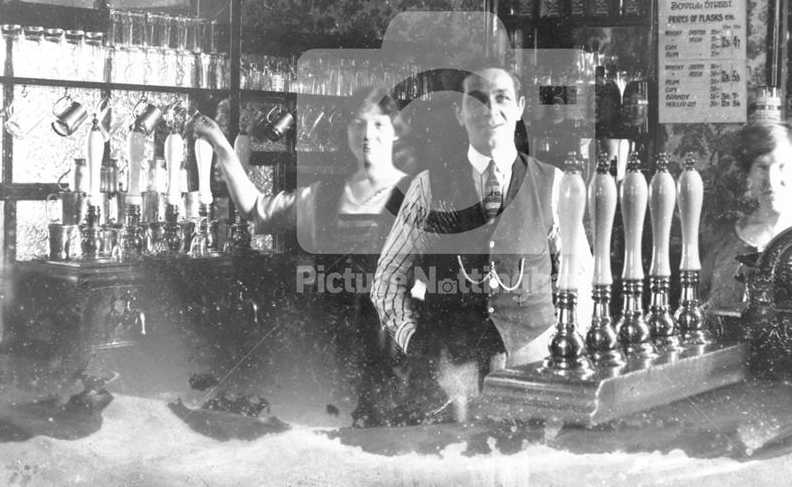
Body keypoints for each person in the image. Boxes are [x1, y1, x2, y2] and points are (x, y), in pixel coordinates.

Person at [371, 61, 591, 423]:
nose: (490, 109)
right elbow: (386, 281)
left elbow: (580, 276)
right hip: (452, 371)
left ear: (519, 108)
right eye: (476, 100)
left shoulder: (553, 184)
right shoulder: (428, 187)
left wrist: (570, 348)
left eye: (502, 97)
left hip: (534, 362)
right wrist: (416, 340)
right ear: (460, 113)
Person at [192, 86, 412, 427]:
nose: (368, 135)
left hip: (393, 362)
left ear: (395, 131)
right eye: (358, 124)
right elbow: (257, 211)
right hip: (330, 358)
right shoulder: (323, 195)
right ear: (347, 131)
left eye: (379, 125)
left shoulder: (417, 195)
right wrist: (221, 146)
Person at [699, 122, 792, 324]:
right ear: (749, 176)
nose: (771, 180)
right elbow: (702, 307)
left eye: (783, 166)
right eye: (762, 167)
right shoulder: (726, 239)